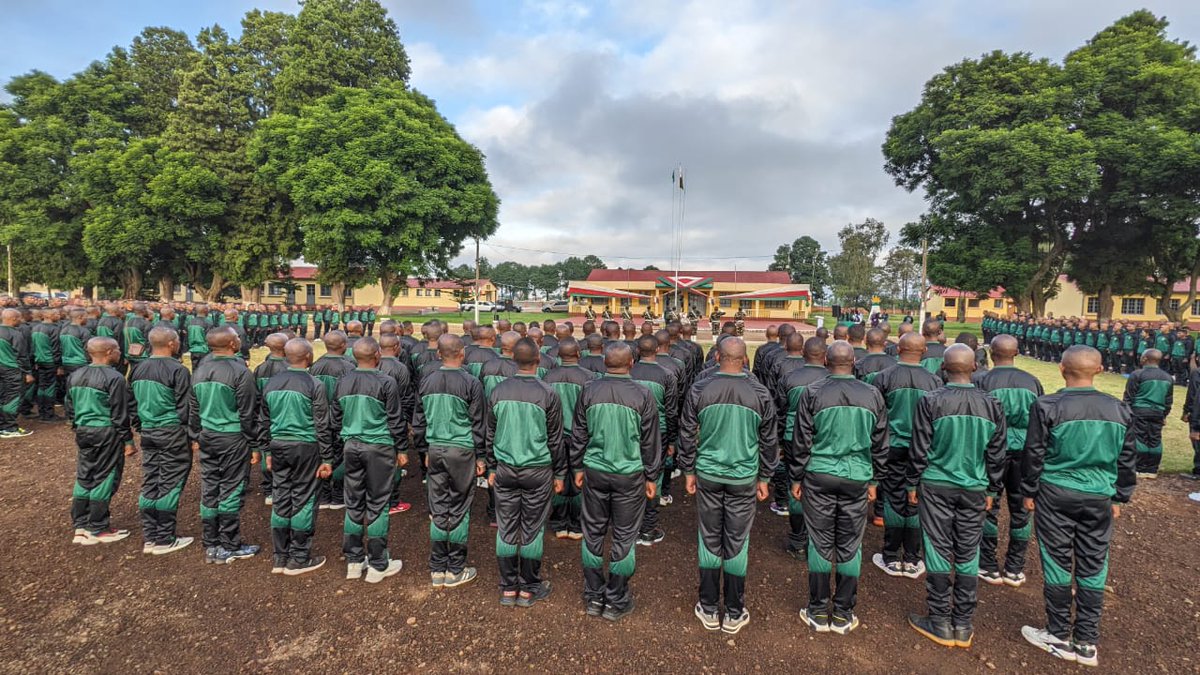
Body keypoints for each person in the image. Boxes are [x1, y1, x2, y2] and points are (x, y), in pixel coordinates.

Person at [1020, 345, 1136, 668]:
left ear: (1061, 369)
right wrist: (1119, 496)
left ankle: (1058, 633)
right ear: (1099, 370)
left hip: (1056, 494)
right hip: (1098, 497)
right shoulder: (1120, 409)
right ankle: (1086, 641)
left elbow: (1034, 454)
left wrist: (1028, 490)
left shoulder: (1047, 406)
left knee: (1057, 561)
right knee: (1094, 562)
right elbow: (1127, 460)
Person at [906, 345, 1007, 648]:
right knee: (968, 549)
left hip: (936, 484)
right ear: (974, 367)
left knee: (936, 548)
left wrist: (912, 484)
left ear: (943, 368)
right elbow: (997, 453)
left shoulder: (931, 401)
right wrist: (992, 488)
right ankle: (962, 623)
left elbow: (919, 447)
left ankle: (939, 619)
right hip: (974, 487)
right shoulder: (992, 404)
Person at [678, 337, 777, 635]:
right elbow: (769, 440)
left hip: (709, 473)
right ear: (745, 359)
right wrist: (765, 477)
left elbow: (686, 433)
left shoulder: (700, 388)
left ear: (718, 356)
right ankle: (733, 611)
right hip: (743, 477)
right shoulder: (759, 393)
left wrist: (688, 471)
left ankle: (708, 607)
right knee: (737, 539)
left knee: (709, 537)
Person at [792, 341, 888, 635]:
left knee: (820, 541)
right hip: (857, 476)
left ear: (825, 362)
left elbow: (802, 441)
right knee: (849, 544)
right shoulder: (872, 394)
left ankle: (819, 610)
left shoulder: (812, 392)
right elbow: (880, 443)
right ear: (854, 363)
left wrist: (796, 478)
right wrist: (874, 480)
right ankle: (844, 612)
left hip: (820, 474)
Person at [571, 341, 660, 621]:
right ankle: (615, 599)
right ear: (631, 363)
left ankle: (595, 594)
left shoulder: (589, 390)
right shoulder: (643, 394)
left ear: (605, 363)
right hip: (629, 475)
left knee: (593, 532)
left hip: (596, 471)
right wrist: (652, 475)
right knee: (624, 535)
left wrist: (577, 466)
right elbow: (650, 441)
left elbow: (579, 434)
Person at [485, 337, 565, 608]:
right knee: (531, 528)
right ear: (539, 360)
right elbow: (555, 439)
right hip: (538, 470)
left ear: (513, 359)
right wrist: (559, 473)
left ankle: (509, 588)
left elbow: (490, 434)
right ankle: (529, 588)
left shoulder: (498, 391)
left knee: (506, 527)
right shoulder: (548, 393)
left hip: (506, 469)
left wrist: (493, 466)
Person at [411, 334, 486, 588]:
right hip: (462, 451)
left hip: (436, 449)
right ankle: (455, 568)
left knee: (438, 506)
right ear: (462, 353)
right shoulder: (471, 383)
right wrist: (482, 456)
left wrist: (423, 451)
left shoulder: (427, 380)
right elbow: (478, 423)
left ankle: (437, 567)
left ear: (439, 354)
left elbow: (418, 421)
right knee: (460, 506)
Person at [333, 337, 408, 583]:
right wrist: (402, 448)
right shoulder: (386, 382)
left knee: (353, 503)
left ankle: (354, 561)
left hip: (351, 446)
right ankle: (378, 563)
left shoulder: (343, 382)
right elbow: (395, 419)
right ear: (377, 355)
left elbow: (336, 418)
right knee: (378, 503)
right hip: (379, 448)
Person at [259, 338, 335, 576]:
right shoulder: (314, 384)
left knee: (282, 495)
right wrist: (327, 458)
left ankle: (280, 556)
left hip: (279, 445)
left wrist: (267, 452)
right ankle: (299, 557)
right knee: (304, 498)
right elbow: (322, 424)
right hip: (305, 447)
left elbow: (264, 420)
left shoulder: (271, 383)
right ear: (309, 357)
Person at [871, 333, 942, 574]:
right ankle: (911, 557)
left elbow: (876, 416)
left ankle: (891, 555)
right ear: (923, 351)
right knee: (914, 498)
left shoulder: (884, 378)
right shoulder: (934, 382)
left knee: (892, 496)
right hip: (921, 448)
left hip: (891, 446)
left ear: (897, 349)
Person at [189, 327, 261, 564]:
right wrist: (253, 443)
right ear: (232, 343)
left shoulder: (199, 371)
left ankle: (211, 542)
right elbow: (247, 413)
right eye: (237, 337)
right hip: (232, 437)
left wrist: (197, 435)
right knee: (231, 488)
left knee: (210, 487)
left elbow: (194, 408)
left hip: (208, 436)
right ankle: (230, 544)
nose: (240, 339)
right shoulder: (240, 373)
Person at [976, 335, 1043, 586]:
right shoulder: (1032, 382)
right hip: (1024, 452)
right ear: (1016, 353)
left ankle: (988, 564)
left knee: (989, 505)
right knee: (1021, 508)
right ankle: (1014, 567)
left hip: (992, 451)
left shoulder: (983, 381)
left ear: (992, 352)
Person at [130, 327, 194, 555]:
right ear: (171, 343)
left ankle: (150, 536)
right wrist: (191, 434)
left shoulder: (137, 369)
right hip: (172, 433)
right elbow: (186, 408)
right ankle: (164, 538)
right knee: (170, 482)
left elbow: (132, 403)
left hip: (149, 432)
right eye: (177, 340)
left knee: (151, 480)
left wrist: (140, 426)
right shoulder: (178, 370)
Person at [67, 337, 136, 545]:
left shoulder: (75, 375)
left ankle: (81, 524)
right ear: (108, 352)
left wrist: (77, 426)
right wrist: (128, 440)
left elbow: (69, 407)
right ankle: (98, 527)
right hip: (106, 432)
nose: (119, 353)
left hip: (83, 430)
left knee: (85, 473)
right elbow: (119, 413)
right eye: (116, 350)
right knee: (105, 476)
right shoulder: (115, 378)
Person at [773, 335, 828, 555]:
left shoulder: (789, 377)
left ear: (804, 354)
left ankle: (798, 539)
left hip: (792, 437)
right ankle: (815, 540)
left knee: (794, 482)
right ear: (825, 357)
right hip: (822, 439)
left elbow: (779, 412)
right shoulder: (833, 380)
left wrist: (777, 441)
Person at [543, 338, 595, 540]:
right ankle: (575, 523)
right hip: (579, 437)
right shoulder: (589, 378)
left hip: (555, 437)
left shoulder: (547, 378)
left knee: (558, 476)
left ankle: (559, 522)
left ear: (558, 355)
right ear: (579, 354)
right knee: (578, 478)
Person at [629, 335, 677, 547]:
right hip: (658, 433)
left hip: (631, 430)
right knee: (653, 477)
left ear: (637, 351)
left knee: (631, 473)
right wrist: (672, 440)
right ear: (657, 349)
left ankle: (630, 524)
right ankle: (647, 528)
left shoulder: (627, 371)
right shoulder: (666, 375)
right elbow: (672, 411)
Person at [310, 332, 355, 508]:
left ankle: (323, 495)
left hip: (318, 418)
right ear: (344, 345)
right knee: (340, 456)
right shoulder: (350, 366)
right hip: (340, 418)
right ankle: (337, 495)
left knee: (322, 454)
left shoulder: (315, 366)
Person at [378, 334, 416, 516]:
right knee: (393, 462)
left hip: (371, 423)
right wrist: (406, 421)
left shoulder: (368, 365)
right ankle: (392, 501)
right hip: (393, 421)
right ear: (396, 347)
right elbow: (407, 398)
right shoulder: (400, 369)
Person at [1123, 349, 1173, 479]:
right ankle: (1152, 470)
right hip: (1158, 412)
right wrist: (1164, 415)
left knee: (1139, 438)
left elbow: (1129, 397)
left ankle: (1139, 468)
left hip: (1139, 411)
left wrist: (1126, 413)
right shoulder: (1168, 377)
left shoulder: (1137, 374)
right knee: (1155, 439)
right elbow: (1168, 400)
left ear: (1145, 359)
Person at [0, 309, 33, 438]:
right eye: (19, 318)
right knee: (13, 397)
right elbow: (22, 356)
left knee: (2, 396)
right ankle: (9, 428)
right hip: (12, 370)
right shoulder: (15, 334)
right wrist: (28, 372)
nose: (21, 320)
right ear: (14, 319)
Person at [31, 309, 62, 421]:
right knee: (50, 388)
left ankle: (41, 412)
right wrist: (59, 365)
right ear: (48, 315)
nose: (59, 315)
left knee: (41, 386)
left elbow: (33, 347)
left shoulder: (35, 327)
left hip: (39, 361)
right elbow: (56, 348)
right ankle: (48, 415)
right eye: (56, 314)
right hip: (50, 361)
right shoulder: (54, 329)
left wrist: (35, 361)